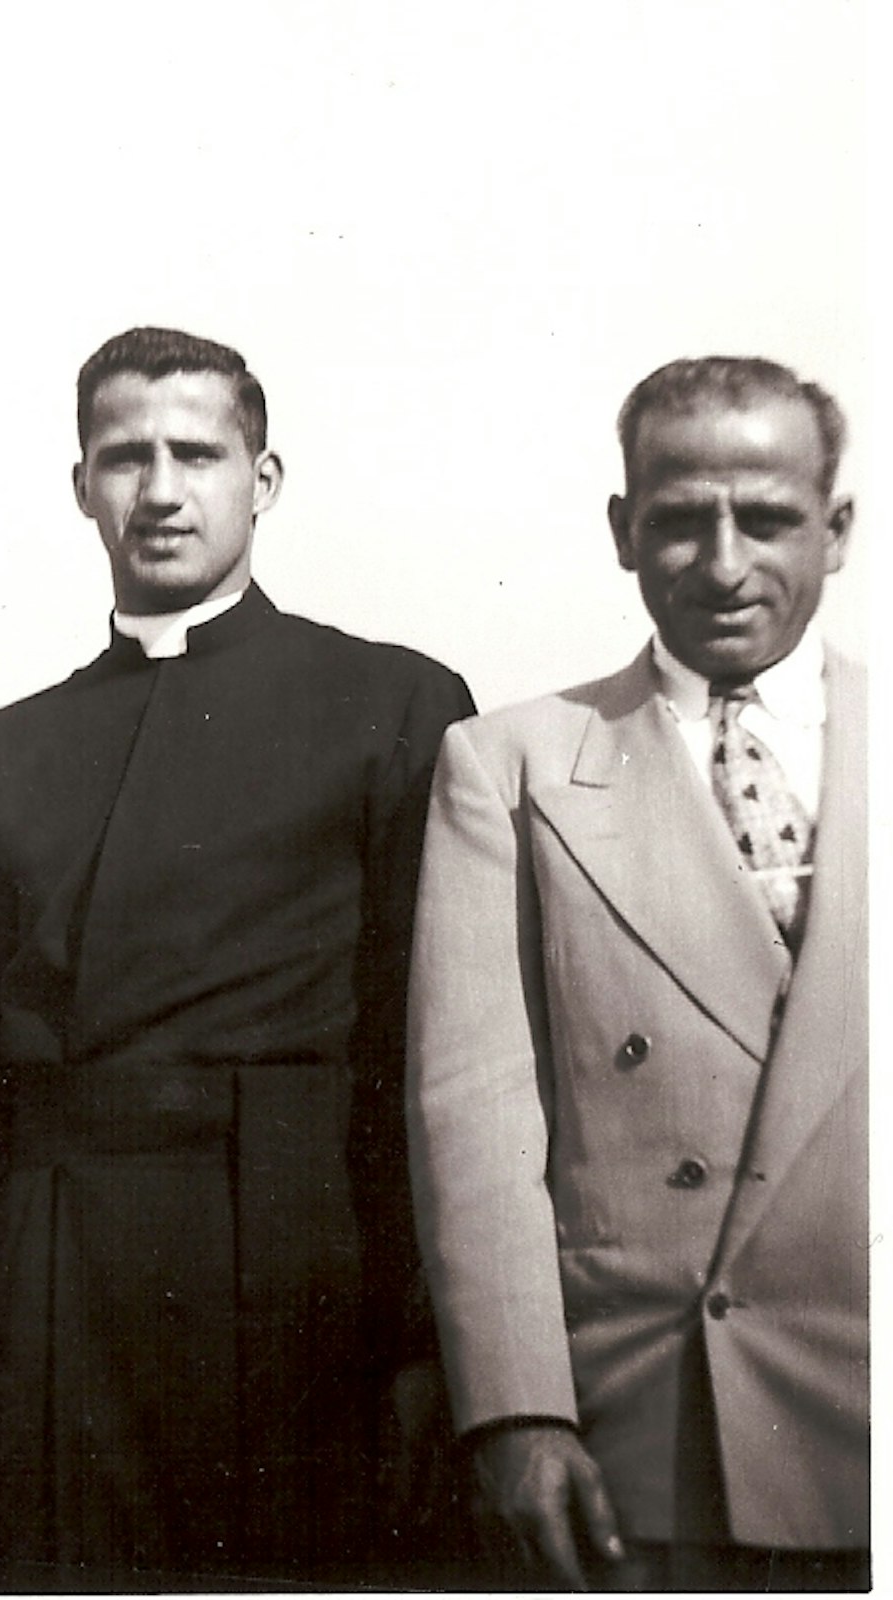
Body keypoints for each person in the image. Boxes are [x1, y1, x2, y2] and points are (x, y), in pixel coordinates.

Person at [0, 326, 475, 1584]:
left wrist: (425, 1343)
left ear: (260, 480)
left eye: (195, 453)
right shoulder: (0, 756)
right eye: (123, 457)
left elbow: (426, 1059)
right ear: (81, 487)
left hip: (301, 1284)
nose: (158, 490)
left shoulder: (392, 706)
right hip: (58, 1298)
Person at [404, 357, 868, 1591]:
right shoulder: (509, 762)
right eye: (678, 519)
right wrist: (516, 1415)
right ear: (622, 531)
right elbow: (475, 1121)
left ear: (835, 528)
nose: (721, 564)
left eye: (765, 519)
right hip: (650, 1431)